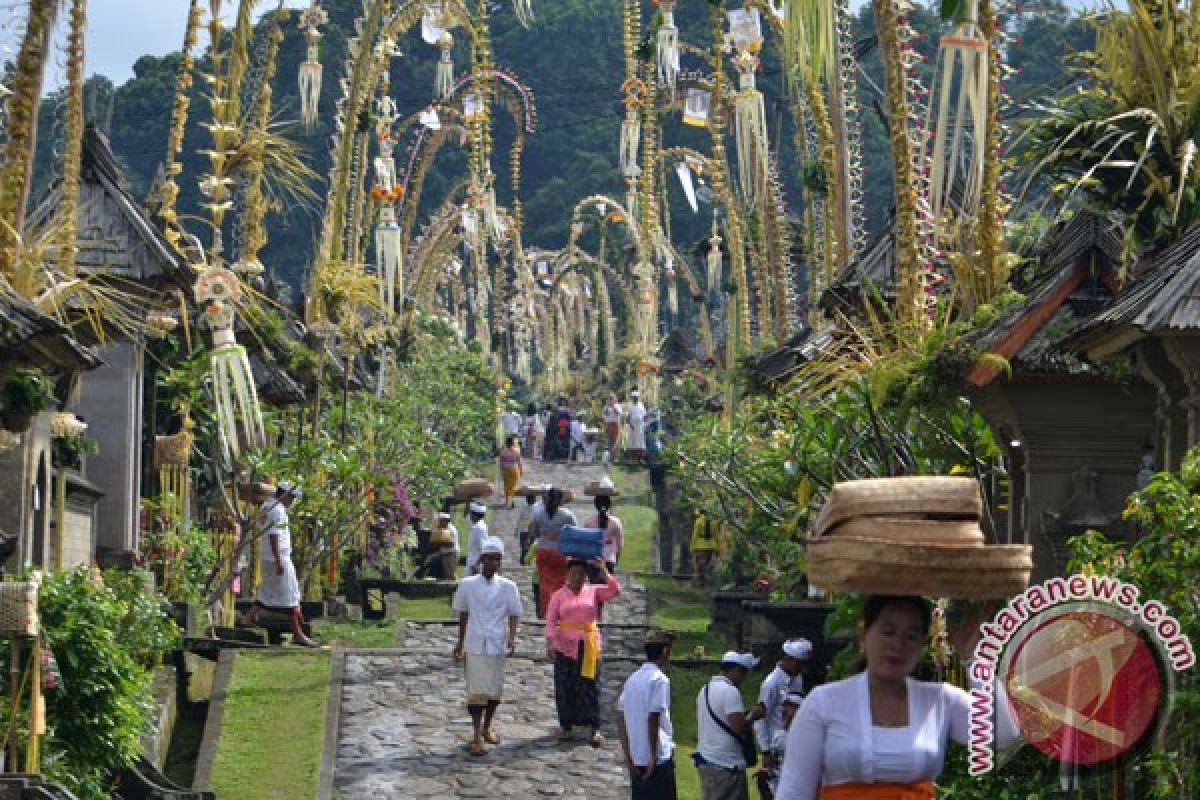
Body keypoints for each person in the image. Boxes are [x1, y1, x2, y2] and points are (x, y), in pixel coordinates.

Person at [775, 595, 1015, 799]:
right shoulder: (823, 703)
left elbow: (1004, 734)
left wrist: (975, 659)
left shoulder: (939, 700)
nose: (898, 645)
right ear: (864, 635)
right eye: (888, 632)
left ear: (923, 645)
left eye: (911, 636)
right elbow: (793, 791)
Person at [451, 537, 523, 756]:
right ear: (482, 559)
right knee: (476, 690)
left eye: (497, 559)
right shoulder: (467, 585)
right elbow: (463, 614)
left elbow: (514, 614)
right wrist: (460, 642)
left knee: (494, 689)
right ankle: (475, 734)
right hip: (474, 643)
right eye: (490, 559)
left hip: (496, 644)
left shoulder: (508, 587)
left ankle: (487, 726)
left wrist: (512, 637)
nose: (493, 563)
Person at [544, 557, 622, 746]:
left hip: (588, 646)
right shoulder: (558, 596)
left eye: (581, 573)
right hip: (565, 647)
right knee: (565, 686)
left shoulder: (593, 592)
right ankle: (566, 726)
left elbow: (615, 591)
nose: (577, 577)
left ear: (586, 575)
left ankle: (594, 727)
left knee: (590, 686)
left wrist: (604, 571)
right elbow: (551, 621)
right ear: (567, 574)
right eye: (573, 573)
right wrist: (551, 642)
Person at [238, 481, 318, 647]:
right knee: (290, 595)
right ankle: (298, 634)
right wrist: (279, 560)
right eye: (292, 498)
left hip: (269, 557)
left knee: (267, 590)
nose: (292, 502)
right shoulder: (277, 510)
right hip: (278, 558)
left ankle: (247, 618)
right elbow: (274, 536)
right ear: (285, 495)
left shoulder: (267, 506)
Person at [695, 652, 767, 800]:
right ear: (737, 670)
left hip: (708, 760)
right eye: (744, 673)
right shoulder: (730, 692)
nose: (744, 679)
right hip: (726, 765)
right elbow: (738, 728)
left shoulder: (705, 689)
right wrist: (753, 715)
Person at [617, 632, 678, 800]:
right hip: (657, 759)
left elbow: (620, 716)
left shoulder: (633, 679)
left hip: (637, 757)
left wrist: (628, 756)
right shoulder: (659, 680)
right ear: (665, 652)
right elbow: (653, 718)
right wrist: (652, 757)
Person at [754, 639, 812, 774]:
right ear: (789, 659)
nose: (802, 668)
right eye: (800, 664)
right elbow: (760, 718)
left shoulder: (797, 677)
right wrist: (765, 751)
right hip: (777, 746)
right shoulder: (771, 683)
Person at [531, 487, 578, 618]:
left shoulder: (538, 514)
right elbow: (575, 533)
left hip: (543, 552)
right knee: (561, 583)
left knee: (545, 585)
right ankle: (561, 612)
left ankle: (546, 613)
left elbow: (534, 533)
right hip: (560, 553)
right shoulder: (567, 515)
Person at [756, 691, 803, 800]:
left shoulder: (805, 737)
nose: (784, 710)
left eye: (791, 706)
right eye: (784, 706)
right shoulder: (780, 733)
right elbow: (774, 761)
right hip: (777, 787)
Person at [584, 490, 624, 576]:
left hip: (598, 560)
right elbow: (620, 546)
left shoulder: (589, 521)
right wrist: (616, 560)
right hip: (603, 560)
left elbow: (586, 543)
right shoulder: (615, 522)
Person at [429, 511, 460, 579]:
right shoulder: (441, 529)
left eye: (440, 521)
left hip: (452, 553)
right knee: (447, 573)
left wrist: (438, 543)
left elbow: (451, 544)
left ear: (445, 521)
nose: (439, 523)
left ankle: (456, 586)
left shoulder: (451, 530)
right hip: (445, 553)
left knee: (451, 573)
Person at [691, 513, 719, 586]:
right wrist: (717, 546)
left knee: (700, 563)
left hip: (700, 544)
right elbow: (716, 535)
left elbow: (695, 534)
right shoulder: (714, 521)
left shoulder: (698, 521)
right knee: (706, 562)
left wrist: (692, 546)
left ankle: (701, 580)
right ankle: (703, 579)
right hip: (711, 545)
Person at [497, 435, 523, 508]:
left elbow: (501, 463)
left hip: (506, 471)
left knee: (507, 487)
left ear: (506, 443)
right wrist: (521, 471)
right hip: (514, 470)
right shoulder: (516, 451)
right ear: (512, 443)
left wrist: (501, 471)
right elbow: (519, 462)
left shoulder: (503, 452)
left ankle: (508, 501)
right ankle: (511, 501)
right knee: (513, 486)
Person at [464, 501, 488, 575]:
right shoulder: (475, 525)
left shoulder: (480, 528)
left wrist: (476, 565)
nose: (469, 515)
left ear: (474, 515)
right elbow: (466, 516)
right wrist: (468, 499)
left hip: (476, 564)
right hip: (472, 562)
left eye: (471, 513)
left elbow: (484, 549)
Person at [516, 490, 540, 564]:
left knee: (525, 546)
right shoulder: (537, 508)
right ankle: (526, 559)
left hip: (524, 530)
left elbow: (520, 519)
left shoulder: (526, 508)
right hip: (530, 530)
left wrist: (517, 529)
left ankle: (524, 559)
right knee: (530, 546)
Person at [625, 390, 647, 465]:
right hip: (632, 425)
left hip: (640, 425)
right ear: (632, 398)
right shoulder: (630, 405)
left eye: (636, 397)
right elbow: (627, 417)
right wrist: (631, 425)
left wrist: (643, 424)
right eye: (634, 397)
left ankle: (640, 459)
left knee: (640, 442)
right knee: (632, 442)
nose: (635, 398)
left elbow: (644, 415)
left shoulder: (641, 405)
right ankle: (632, 459)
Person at [603, 393, 623, 458]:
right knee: (609, 440)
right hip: (608, 424)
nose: (610, 399)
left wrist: (613, 406)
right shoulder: (606, 406)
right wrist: (607, 406)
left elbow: (618, 413)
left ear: (615, 399)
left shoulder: (617, 406)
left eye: (612, 398)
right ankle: (610, 456)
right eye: (609, 398)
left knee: (615, 440)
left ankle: (615, 456)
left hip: (616, 424)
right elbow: (605, 414)